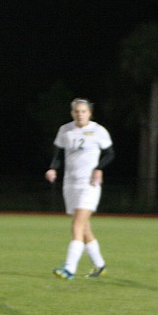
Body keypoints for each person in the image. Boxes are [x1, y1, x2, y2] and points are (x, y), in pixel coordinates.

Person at [45, 98, 115, 279]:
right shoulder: (65, 130)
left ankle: (69, 268)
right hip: (70, 184)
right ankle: (99, 265)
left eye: (83, 111)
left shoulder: (98, 131)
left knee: (77, 224)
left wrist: (99, 169)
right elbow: (58, 154)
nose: (80, 114)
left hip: (89, 184)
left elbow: (110, 154)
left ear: (89, 113)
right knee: (84, 228)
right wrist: (53, 168)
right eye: (77, 111)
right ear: (72, 113)